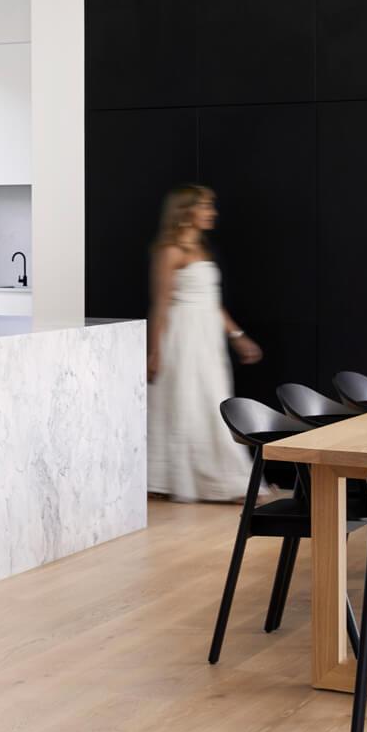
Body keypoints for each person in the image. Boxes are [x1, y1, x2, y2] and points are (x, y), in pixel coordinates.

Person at [146, 184, 263, 502]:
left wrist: (238, 336)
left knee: (212, 400)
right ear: (186, 211)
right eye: (205, 206)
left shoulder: (201, 249)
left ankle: (220, 478)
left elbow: (213, 302)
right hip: (182, 337)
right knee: (187, 402)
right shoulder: (170, 251)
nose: (212, 213)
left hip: (207, 337)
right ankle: (206, 481)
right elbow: (160, 303)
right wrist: (154, 352)